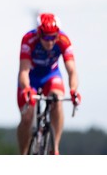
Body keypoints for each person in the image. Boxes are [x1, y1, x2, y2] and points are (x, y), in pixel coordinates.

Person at [17, 12, 82, 155]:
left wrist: (73, 90)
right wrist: (26, 88)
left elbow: (72, 70)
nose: (50, 42)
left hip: (51, 76)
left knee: (57, 100)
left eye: (53, 37)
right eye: (46, 37)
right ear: (39, 34)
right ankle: (22, 155)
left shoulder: (63, 40)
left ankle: (55, 149)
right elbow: (24, 71)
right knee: (27, 116)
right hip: (31, 77)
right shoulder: (29, 39)